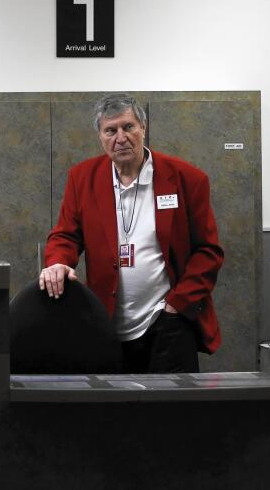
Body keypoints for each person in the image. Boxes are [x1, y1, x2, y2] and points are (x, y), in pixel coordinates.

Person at [39, 94, 223, 372]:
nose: (120, 137)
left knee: (171, 412)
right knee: (116, 412)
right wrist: (58, 262)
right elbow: (66, 235)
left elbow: (208, 251)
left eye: (128, 127)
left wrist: (176, 305)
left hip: (168, 322)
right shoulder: (83, 178)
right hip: (107, 325)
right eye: (110, 130)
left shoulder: (187, 179)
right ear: (100, 137)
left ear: (143, 128)